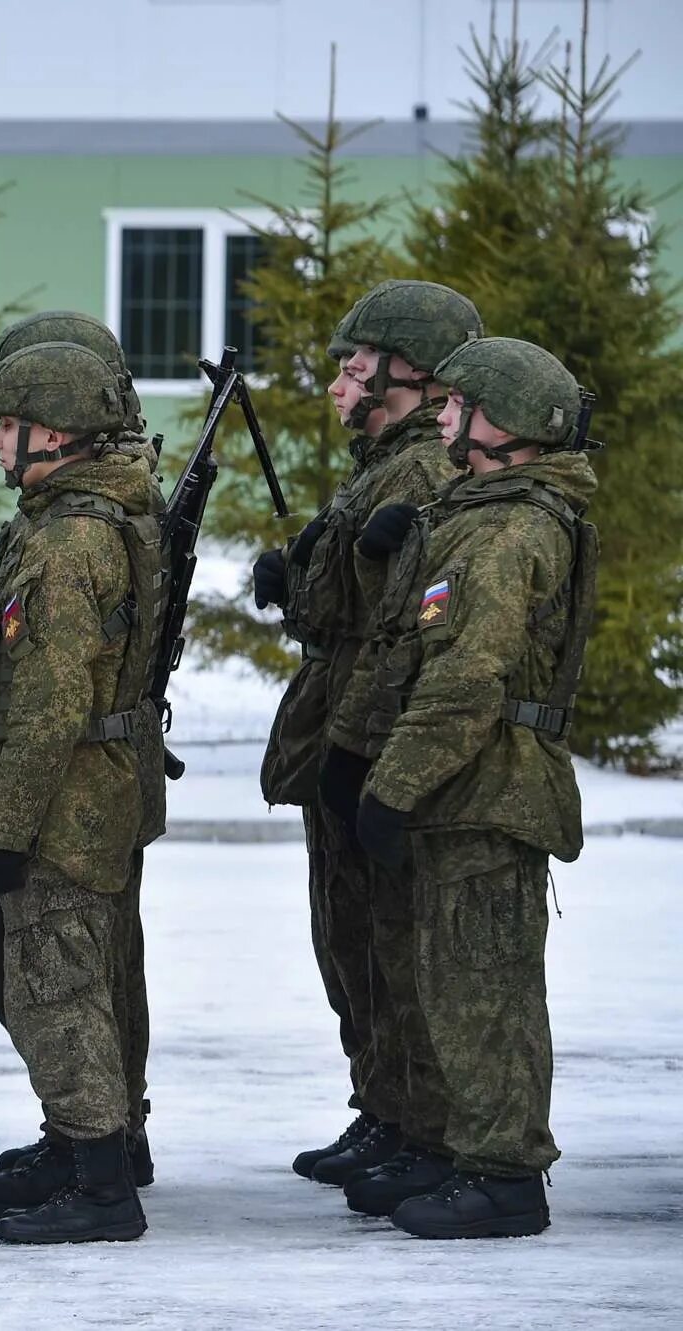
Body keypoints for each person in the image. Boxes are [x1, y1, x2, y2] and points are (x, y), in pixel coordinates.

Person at [329, 337, 597, 1240]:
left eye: (458, 407)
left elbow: (464, 679)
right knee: (450, 982)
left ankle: (505, 1175)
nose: (440, 416)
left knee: (486, 990)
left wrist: (391, 787)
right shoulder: (477, 512)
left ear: (506, 426)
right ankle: (463, 1155)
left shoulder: (510, 529)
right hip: (469, 785)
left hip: (493, 788)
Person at [0, 341, 163, 1244]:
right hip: (82, 792)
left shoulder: (69, 542)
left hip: (63, 803)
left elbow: (51, 706)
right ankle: (75, 1146)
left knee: (56, 987)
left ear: (53, 434)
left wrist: (4, 831)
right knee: (54, 980)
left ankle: (100, 1184)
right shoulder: (72, 520)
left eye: (7, 426)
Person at [252, 281, 482, 1197]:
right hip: (338, 711)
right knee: (347, 936)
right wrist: (299, 579)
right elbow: (353, 593)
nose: (341, 380)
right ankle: (383, 1106)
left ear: (409, 372)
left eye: (355, 365)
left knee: (389, 941)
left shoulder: (424, 469)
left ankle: (420, 1125)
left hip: (374, 726)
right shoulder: (383, 462)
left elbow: (404, 629)